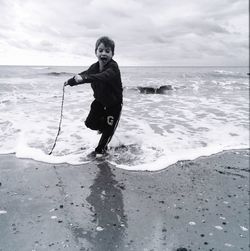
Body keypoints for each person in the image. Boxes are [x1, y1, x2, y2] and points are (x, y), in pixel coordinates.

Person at [64, 36, 123, 157]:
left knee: (101, 146)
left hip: (114, 105)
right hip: (100, 102)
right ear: (96, 52)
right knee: (89, 123)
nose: (104, 53)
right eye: (100, 50)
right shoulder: (94, 67)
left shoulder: (113, 68)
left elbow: (102, 77)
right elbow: (85, 74)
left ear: (112, 53)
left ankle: (101, 152)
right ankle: (105, 127)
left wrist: (85, 78)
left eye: (107, 51)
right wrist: (70, 82)